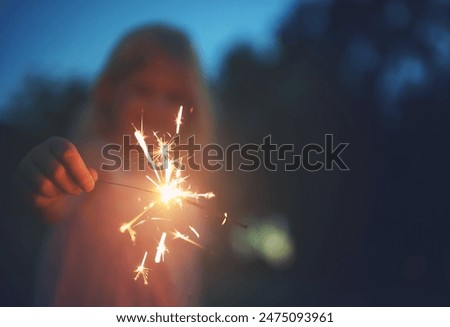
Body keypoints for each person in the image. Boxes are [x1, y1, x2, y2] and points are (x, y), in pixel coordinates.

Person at [13, 24, 216, 306]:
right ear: (110, 91)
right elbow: (57, 201)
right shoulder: (95, 162)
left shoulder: (187, 184)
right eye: (143, 89)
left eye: (174, 97)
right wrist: (47, 183)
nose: (158, 107)